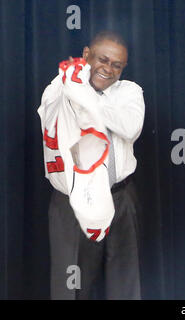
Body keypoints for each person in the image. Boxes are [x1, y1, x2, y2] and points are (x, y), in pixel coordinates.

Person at [37, 31, 145, 299]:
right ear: (86, 55)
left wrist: (85, 98)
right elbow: (51, 119)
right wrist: (74, 91)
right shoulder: (59, 88)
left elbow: (130, 128)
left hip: (120, 198)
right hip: (71, 203)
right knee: (70, 288)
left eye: (116, 65)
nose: (108, 69)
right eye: (102, 60)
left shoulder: (129, 91)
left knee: (125, 285)